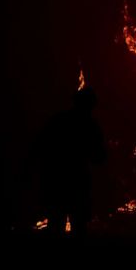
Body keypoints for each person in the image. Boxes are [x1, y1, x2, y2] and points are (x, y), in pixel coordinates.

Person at [37, 86, 106, 237]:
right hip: (75, 180)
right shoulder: (90, 126)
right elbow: (99, 157)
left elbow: (42, 146)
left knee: (57, 223)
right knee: (77, 225)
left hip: (57, 179)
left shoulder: (59, 120)